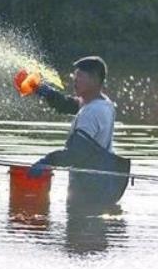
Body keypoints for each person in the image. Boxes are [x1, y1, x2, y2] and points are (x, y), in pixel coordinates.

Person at [29, 56, 130, 209]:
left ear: (95, 79)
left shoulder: (92, 112)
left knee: (78, 225)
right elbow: (66, 105)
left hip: (89, 194)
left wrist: (47, 161)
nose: (75, 80)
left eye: (80, 76)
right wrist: (44, 91)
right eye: (75, 76)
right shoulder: (102, 102)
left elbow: (75, 154)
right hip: (100, 188)